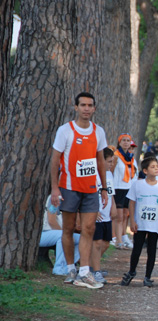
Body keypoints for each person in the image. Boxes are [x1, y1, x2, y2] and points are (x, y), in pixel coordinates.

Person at [50, 91, 107, 289]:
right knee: (68, 228)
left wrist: (105, 188)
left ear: (94, 109)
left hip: (91, 188)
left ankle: (84, 271)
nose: (86, 109)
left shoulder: (98, 131)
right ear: (76, 107)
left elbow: (100, 161)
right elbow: (55, 159)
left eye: (90, 105)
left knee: (89, 228)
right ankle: (70, 268)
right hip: (68, 187)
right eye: (82, 105)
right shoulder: (65, 130)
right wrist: (55, 188)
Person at [120, 157, 158, 287]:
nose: (156, 169)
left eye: (157, 166)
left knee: (152, 250)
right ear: (145, 170)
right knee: (137, 248)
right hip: (140, 223)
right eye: (152, 167)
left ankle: (148, 276)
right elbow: (132, 203)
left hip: (155, 224)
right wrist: (132, 221)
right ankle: (131, 272)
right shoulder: (137, 184)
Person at [90, 148, 117, 284]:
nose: (111, 164)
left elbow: (110, 193)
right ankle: (96, 271)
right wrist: (94, 210)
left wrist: (113, 207)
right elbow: (91, 194)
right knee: (97, 243)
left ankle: (91, 266)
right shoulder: (94, 175)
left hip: (107, 215)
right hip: (97, 214)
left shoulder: (109, 175)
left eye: (112, 162)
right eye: (109, 162)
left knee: (106, 243)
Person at [39, 196, 81, 276]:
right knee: (63, 237)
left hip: (56, 233)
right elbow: (51, 221)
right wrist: (66, 235)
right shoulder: (55, 198)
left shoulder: (70, 199)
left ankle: (68, 267)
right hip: (45, 232)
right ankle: (59, 269)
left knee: (81, 239)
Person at [113, 133, 138, 250]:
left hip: (127, 187)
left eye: (128, 140)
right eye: (124, 140)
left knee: (124, 214)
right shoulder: (116, 156)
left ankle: (123, 236)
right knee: (118, 216)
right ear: (119, 142)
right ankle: (117, 239)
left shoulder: (130, 157)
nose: (126, 142)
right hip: (118, 187)